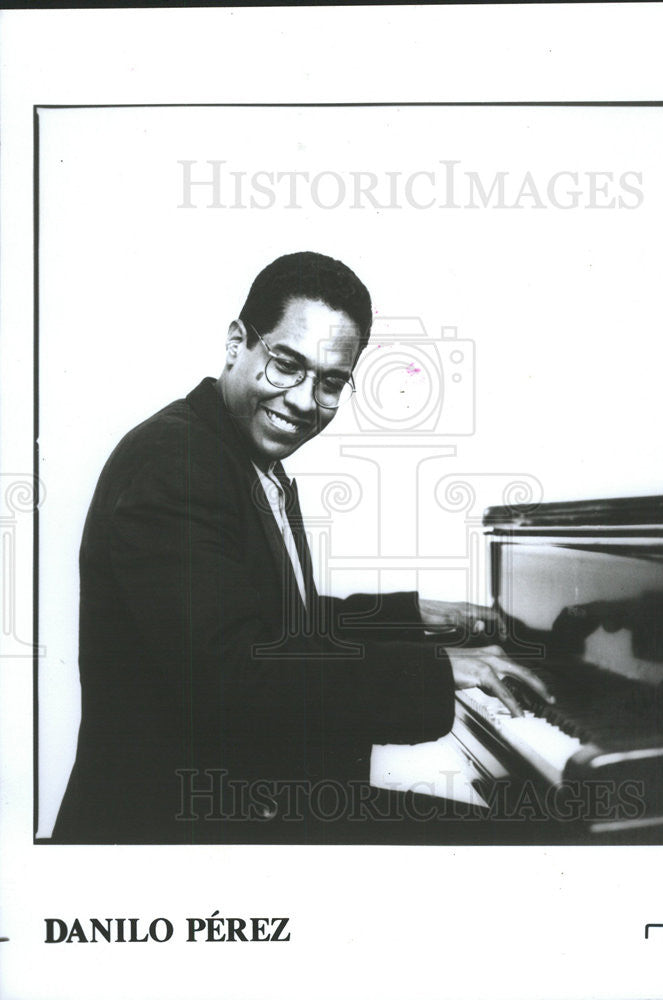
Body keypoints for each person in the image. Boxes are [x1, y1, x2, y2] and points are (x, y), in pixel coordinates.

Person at [53, 251, 539, 844]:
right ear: (238, 343)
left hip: (240, 804)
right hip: (175, 830)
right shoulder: (174, 462)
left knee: (514, 826)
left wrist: (412, 615)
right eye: (287, 365)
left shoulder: (241, 457)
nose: (305, 401)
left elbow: (270, 617)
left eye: (331, 382)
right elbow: (234, 674)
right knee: (519, 836)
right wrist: (436, 671)